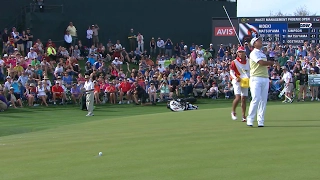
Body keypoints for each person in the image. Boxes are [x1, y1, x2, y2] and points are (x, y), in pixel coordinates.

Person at [246, 37, 275, 127]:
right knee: (256, 98)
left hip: (265, 77)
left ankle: (260, 120)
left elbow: (264, 64)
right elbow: (261, 63)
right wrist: (272, 63)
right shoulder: (253, 53)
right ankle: (250, 119)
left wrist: (270, 64)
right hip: (255, 78)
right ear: (254, 44)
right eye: (258, 41)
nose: (260, 42)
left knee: (263, 100)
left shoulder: (262, 53)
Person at [229, 46, 250, 122]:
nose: (241, 53)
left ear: (245, 52)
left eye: (242, 52)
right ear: (237, 53)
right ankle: (233, 112)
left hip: (245, 80)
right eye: (239, 52)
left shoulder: (249, 61)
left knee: (244, 98)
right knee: (237, 97)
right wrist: (235, 78)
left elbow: (250, 71)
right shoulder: (234, 62)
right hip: (237, 80)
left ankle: (244, 116)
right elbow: (231, 71)